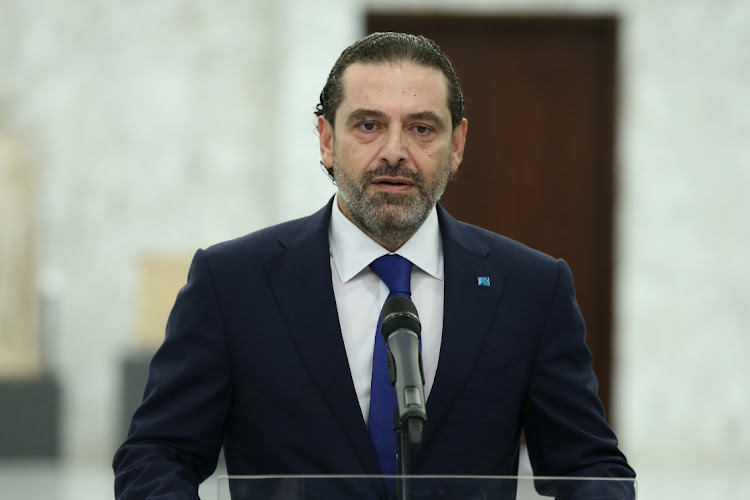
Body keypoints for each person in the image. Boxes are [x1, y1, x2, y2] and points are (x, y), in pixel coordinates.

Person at [113, 32, 635, 499]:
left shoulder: (530, 288)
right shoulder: (232, 283)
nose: (395, 151)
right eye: (368, 125)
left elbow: (588, 465)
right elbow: (157, 456)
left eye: (422, 129)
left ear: (456, 146)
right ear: (326, 140)